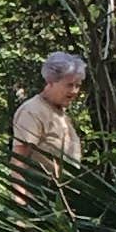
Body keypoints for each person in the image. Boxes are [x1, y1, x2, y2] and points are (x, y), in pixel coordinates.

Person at [11, 52, 86, 190]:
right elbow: (18, 162)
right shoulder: (32, 111)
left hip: (66, 199)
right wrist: (21, 202)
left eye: (78, 85)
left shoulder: (61, 114)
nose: (75, 91)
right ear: (51, 82)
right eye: (69, 85)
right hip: (41, 199)